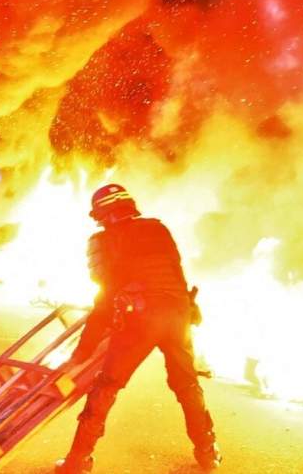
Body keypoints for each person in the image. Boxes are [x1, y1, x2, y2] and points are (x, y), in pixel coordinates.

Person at [55, 184, 220, 474]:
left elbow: (106, 299)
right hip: (177, 316)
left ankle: (77, 461)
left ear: (103, 214)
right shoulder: (158, 229)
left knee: (107, 385)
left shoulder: (103, 241)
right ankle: (208, 453)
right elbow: (176, 273)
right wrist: (187, 311)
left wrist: (83, 351)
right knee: (187, 385)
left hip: (140, 322)